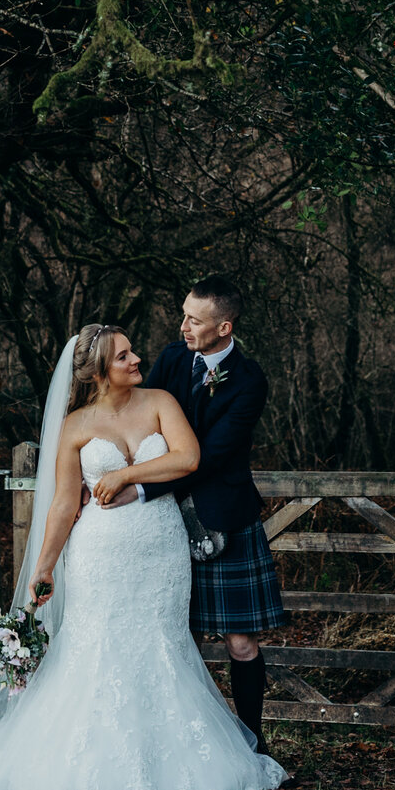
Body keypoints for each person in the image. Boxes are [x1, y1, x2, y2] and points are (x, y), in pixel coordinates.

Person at [0, 324, 285, 790]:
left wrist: (125, 474)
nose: (137, 359)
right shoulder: (74, 426)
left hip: (161, 551)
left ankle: (167, 761)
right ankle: (90, 767)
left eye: (132, 351)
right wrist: (44, 565)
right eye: (124, 356)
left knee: (162, 642)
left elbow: (188, 458)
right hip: (101, 552)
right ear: (98, 372)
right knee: (98, 648)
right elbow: (66, 503)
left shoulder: (159, 401)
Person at [137, 277, 284, 752]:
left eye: (194, 320)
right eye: (183, 314)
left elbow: (209, 456)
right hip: (162, 519)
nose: (182, 327)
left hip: (223, 517)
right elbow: (143, 424)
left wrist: (139, 487)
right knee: (175, 638)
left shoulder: (249, 379)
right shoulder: (173, 358)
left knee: (241, 643)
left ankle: (252, 743)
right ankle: (184, 746)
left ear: (224, 327)